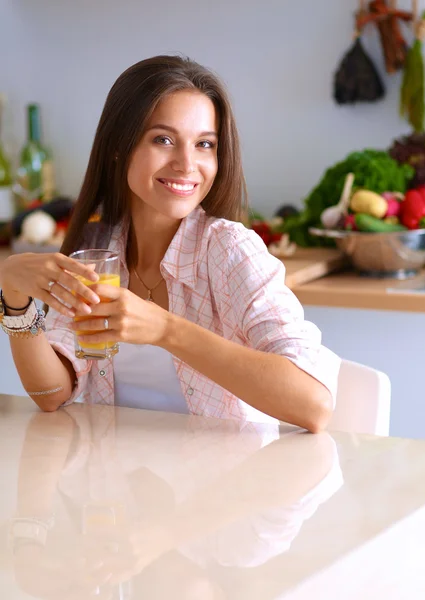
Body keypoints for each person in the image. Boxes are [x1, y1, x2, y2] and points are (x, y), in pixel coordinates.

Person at [0, 55, 340, 430]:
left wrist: (165, 330)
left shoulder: (229, 251)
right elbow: (51, 394)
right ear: (118, 147)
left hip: (228, 483)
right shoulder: (98, 247)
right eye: (163, 139)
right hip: (111, 484)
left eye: (204, 144)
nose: (186, 163)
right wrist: (15, 299)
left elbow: (314, 404)